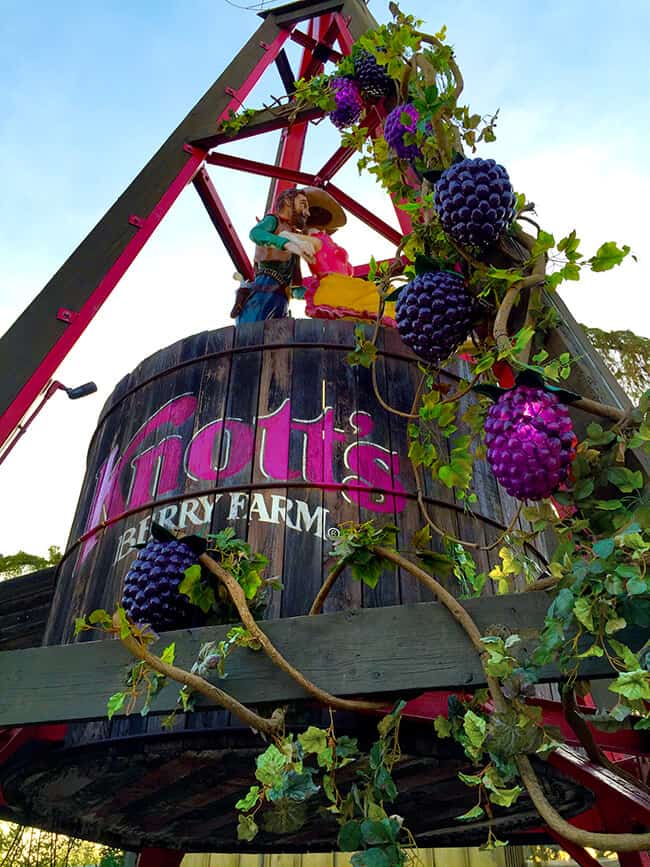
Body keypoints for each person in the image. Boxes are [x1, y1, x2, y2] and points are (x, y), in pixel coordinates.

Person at [230, 188, 320, 323]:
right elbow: (255, 233)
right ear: (288, 202)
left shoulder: (296, 237)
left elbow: (293, 290)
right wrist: (285, 243)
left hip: (280, 304)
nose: (307, 212)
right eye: (303, 204)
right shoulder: (273, 221)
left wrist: (316, 293)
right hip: (261, 299)